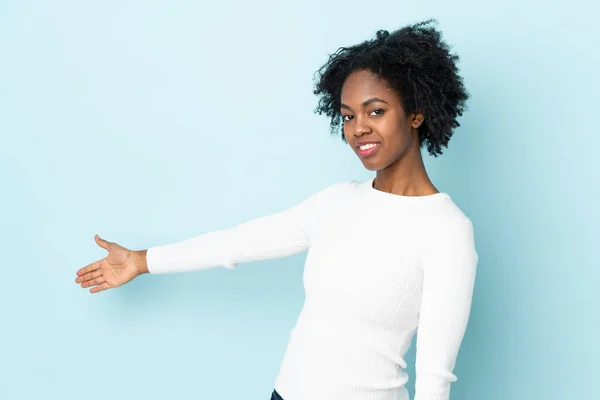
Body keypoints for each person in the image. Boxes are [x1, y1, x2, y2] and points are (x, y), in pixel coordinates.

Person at [75, 18, 478, 400]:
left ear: (415, 114)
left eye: (376, 111)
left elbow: (434, 377)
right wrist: (143, 260)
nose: (358, 128)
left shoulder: (446, 230)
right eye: (348, 116)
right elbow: (240, 242)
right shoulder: (337, 201)